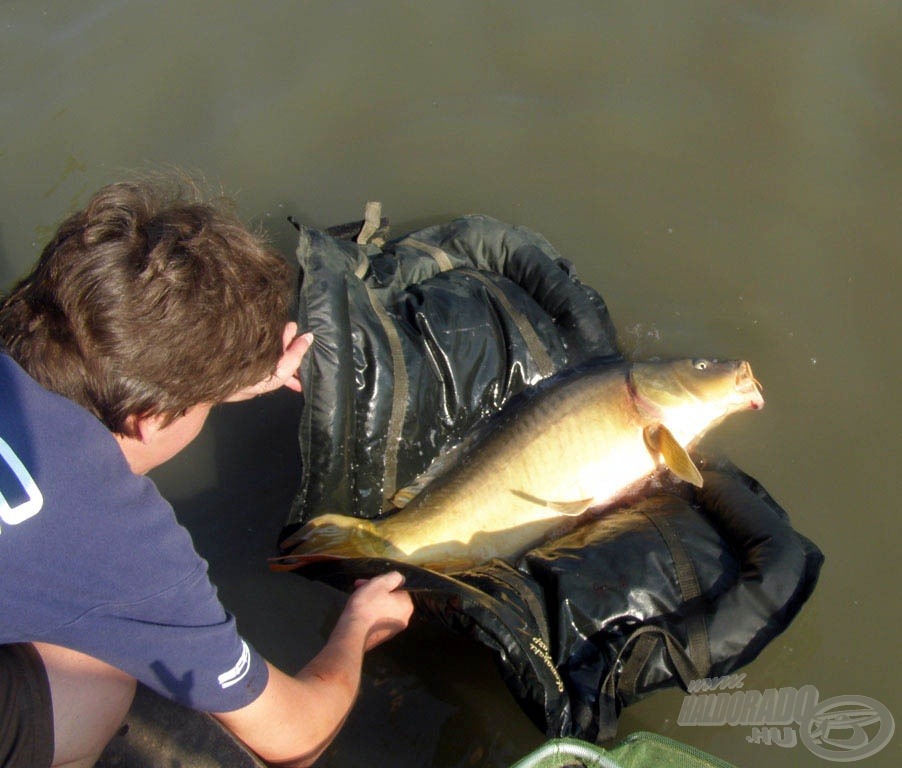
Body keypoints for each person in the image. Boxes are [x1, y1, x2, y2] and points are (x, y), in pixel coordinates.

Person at [0, 177, 414, 768]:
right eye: (200, 401)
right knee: (92, 684)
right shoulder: (123, 546)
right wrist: (359, 628)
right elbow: (296, 737)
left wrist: (209, 380)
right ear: (150, 418)